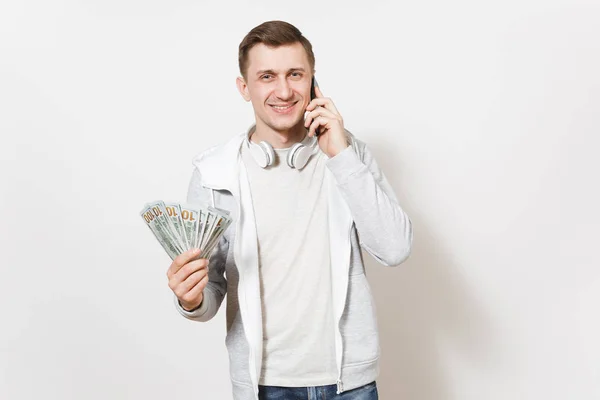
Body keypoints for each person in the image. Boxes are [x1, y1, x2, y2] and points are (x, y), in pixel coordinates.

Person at [166, 20, 413, 400]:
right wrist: (190, 298)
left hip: (350, 383)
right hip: (264, 386)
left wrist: (340, 155)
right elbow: (210, 290)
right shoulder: (213, 173)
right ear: (244, 87)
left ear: (314, 82)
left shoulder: (350, 155)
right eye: (267, 76)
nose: (284, 90)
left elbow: (395, 248)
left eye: (295, 74)